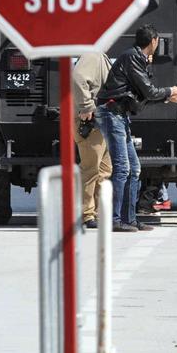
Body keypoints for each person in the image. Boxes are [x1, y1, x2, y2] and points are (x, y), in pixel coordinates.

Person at [95, 24, 177, 232]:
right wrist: (170, 90)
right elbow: (148, 90)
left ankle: (130, 219)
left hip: (121, 115)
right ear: (154, 41)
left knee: (134, 168)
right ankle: (115, 219)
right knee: (122, 168)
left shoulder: (137, 59)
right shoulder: (132, 58)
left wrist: (166, 98)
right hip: (112, 113)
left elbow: (141, 95)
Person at [72, 51, 113, 229]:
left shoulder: (98, 55)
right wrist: (87, 106)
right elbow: (78, 77)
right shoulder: (92, 54)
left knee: (104, 169)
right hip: (90, 121)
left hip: (100, 121)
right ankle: (86, 214)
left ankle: (96, 212)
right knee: (90, 168)